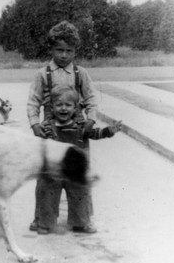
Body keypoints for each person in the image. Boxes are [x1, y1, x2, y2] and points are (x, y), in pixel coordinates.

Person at [27, 20, 98, 232]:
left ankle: (82, 220)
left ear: (75, 51)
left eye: (69, 51)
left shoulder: (81, 73)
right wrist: (35, 124)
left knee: (78, 175)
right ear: (51, 49)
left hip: (77, 133)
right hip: (51, 132)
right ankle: (42, 219)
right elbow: (33, 101)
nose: (64, 55)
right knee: (48, 177)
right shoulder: (42, 74)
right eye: (59, 50)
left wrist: (90, 120)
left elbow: (92, 99)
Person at [36, 84, 122, 234]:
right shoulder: (47, 126)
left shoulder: (81, 125)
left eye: (68, 105)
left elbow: (95, 134)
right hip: (53, 169)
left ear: (75, 108)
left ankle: (80, 222)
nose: (63, 108)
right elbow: (41, 145)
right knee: (48, 195)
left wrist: (109, 131)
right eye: (59, 105)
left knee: (79, 194)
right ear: (52, 107)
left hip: (75, 169)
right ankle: (45, 223)